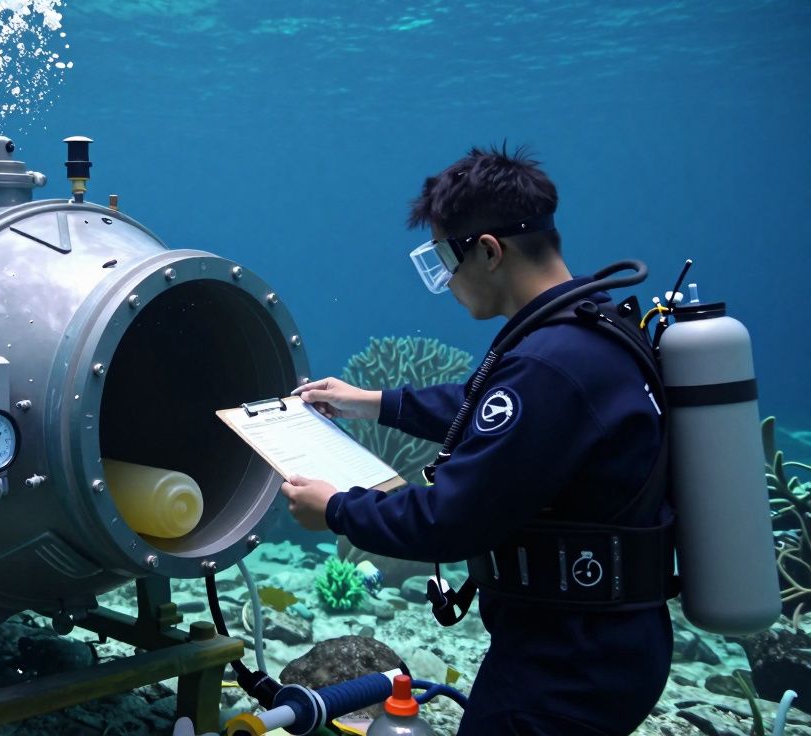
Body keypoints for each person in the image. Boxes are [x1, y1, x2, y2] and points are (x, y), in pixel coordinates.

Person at [279, 145, 673, 735]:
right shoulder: (587, 331)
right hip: (605, 642)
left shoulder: (548, 366)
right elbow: (489, 412)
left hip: (565, 664)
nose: (444, 280)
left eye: (444, 258)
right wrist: (372, 403)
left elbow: (448, 519)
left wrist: (336, 508)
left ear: (488, 252)